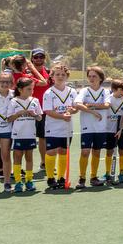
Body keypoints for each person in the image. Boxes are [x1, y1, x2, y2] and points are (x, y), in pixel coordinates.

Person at [42, 62, 76, 190]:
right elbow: (48, 111)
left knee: (63, 151)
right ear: (52, 77)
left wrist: (71, 110)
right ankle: (50, 178)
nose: (60, 77)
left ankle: (61, 178)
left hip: (67, 128)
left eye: (63, 74)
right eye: (57, 74)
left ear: (67, 76)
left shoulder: (72, 91)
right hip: (52, 127)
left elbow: (75, 107)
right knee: (51, 152)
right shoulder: (49, 93)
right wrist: (63, 116)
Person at [74, 66, 109, 189]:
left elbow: (106, 105)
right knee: (85, 152)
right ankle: (82, 178)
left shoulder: (105, 91)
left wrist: (89, 105)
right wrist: (93, 111)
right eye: (89, 76)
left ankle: (93, 177)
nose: (91, 78)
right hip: (87, 127)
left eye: (94, 76)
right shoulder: (84, 91)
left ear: (100, 78)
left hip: (100, 127)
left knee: (97, 152)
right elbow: (78, 104)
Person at [6, 77, 42, 193]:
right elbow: (9, 119)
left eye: (32, 89)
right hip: (18, 135)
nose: (31, 91)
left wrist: (35, 115)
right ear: (20, 89)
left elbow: (40, 117)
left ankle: (29, 181)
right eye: (28, 89)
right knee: (17, 158)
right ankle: (17, 182)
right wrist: (18, 113)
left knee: (29, 158)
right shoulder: (13, 101)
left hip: (30, 134)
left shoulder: (35, 101)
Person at [104, 79, 123, 184]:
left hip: (122, 129)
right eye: (121, 90)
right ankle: (107, 173)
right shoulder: (108, 98)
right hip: (109, 129)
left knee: (122, 150)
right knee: (109, 151)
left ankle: (121, 173)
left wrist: (120, 129)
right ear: (114, 89)